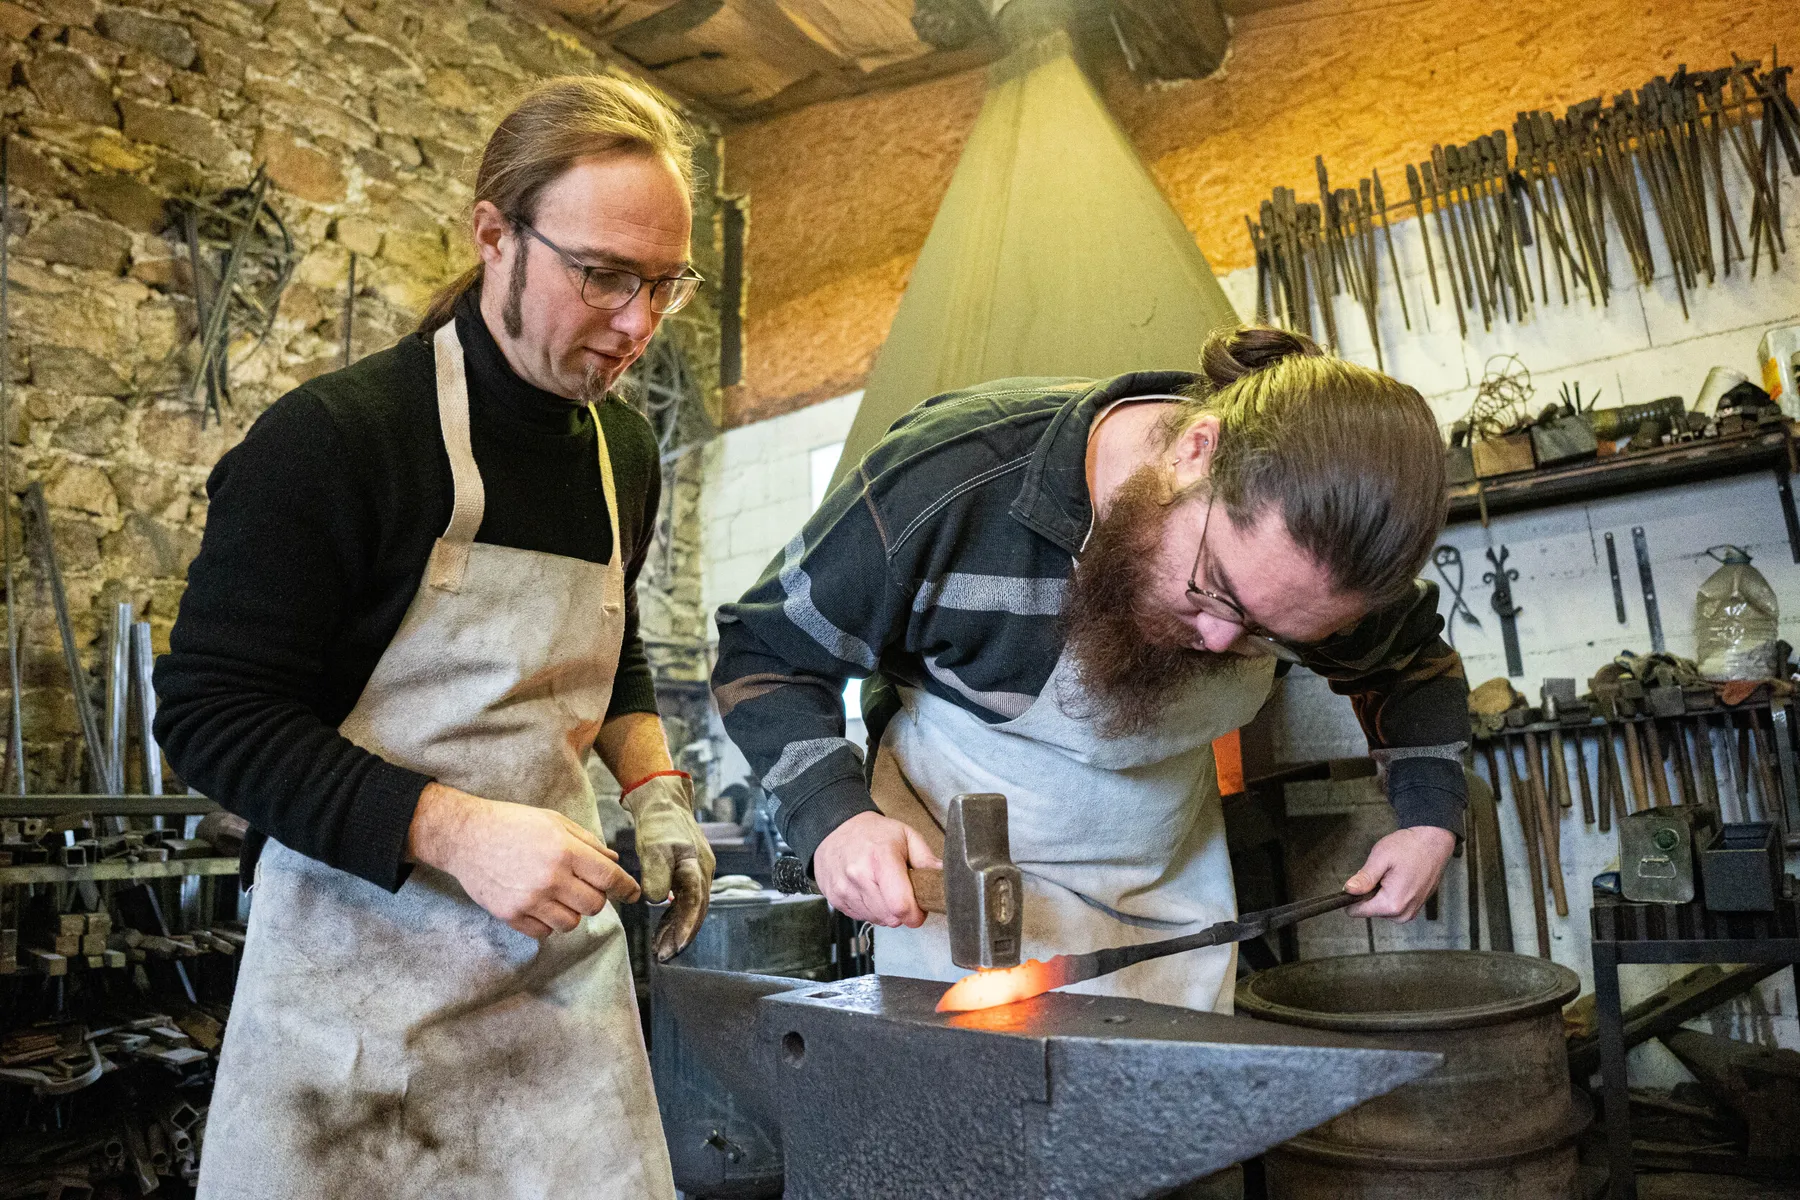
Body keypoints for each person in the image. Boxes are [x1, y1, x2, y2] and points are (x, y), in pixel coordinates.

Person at [156, 76, 714, 1198]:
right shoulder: (336, 441)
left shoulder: (626, 457)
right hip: (354, 1000)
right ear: (494, 235)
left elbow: (607, 646)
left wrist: (654, 787)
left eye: (664, 284)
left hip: (555, 996)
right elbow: (210, 714)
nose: (636, 324)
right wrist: (454, 830)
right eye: (603, 275)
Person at [712, 327, 1467, 1011]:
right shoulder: (954, 481)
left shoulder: (1315, 566)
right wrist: (835, 819)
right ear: (1197, 450)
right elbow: (766, 653)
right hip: (947, 913)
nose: (1216, 640)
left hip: (1173, 913)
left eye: (1265, 637)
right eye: (1215, 589)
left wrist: (1430, 815)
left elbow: (1412, 664)